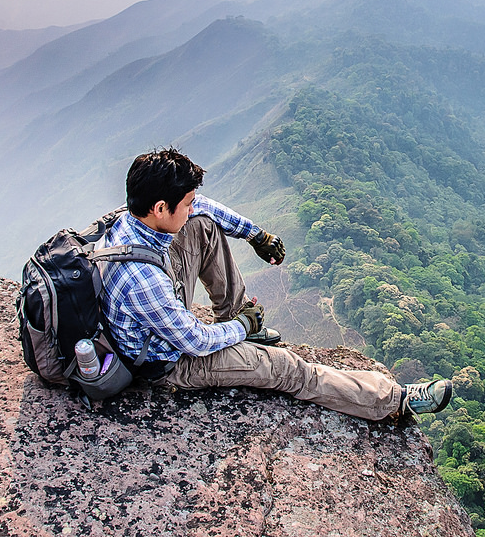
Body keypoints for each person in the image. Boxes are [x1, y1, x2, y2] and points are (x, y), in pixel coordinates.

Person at [99, 146, 453, 421]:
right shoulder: (141, 280)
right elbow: (196, 340)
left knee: (204, 227)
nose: (191, 207)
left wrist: (255, 235)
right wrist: (241, 326)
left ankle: (238, 318)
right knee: (285, 368)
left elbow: (205, 208)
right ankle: (394, 400)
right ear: (161, 207)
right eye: (186, 203)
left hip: (158, 309)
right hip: (172, 362)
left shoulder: (135, 217)